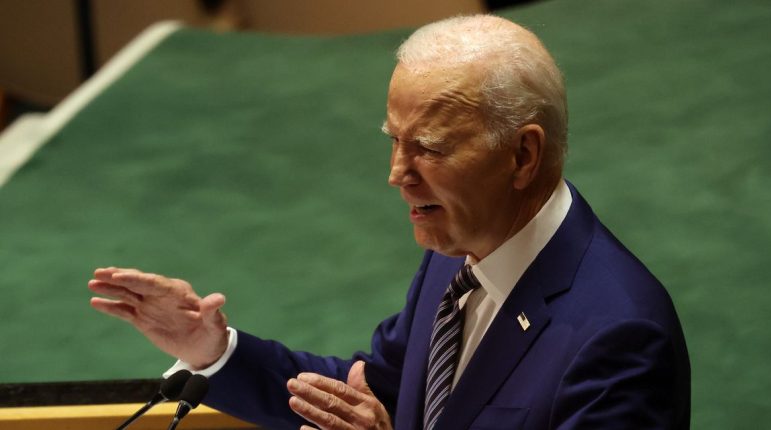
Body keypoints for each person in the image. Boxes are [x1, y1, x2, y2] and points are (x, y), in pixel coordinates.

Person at [88, 15, 690, 430]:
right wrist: (210, 348)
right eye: (395, 141)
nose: (397, 174)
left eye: (429, 147)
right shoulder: (456, 257)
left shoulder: (620, 338)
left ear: (522, 155)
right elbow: (371, 392)